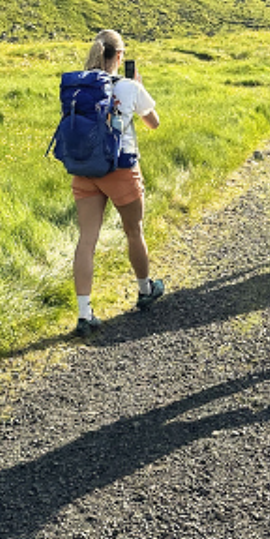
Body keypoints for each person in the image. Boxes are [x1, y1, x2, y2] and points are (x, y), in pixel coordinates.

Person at [71, 29, 165, 335]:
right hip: (121, 167)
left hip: (84, 169)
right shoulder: (127, 86)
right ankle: (144, 289)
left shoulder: (79, 85)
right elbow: (154, 123)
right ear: (120, 56)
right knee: (133, 231)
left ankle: (84, 314)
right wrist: (138, 87)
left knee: (87, 239)